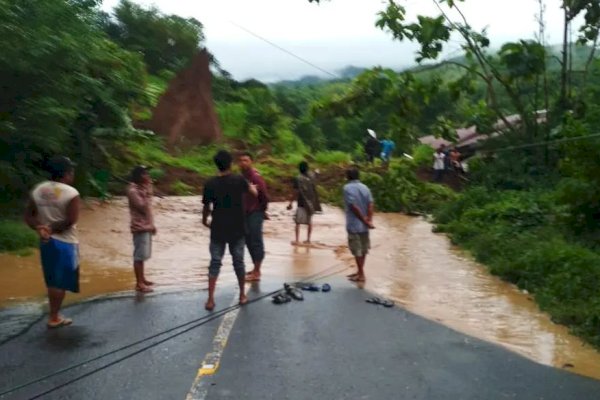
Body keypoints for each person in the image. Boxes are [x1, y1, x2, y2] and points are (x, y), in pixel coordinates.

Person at [25, 156, 80, 329]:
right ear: (66, 173)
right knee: (60, 281)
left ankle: (54, 314)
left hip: (45, 240)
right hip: (65, 241)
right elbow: (70, 220)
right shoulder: (71, 193)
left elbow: (28, 216)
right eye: (71, 171)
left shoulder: (38, 189)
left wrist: (41, 228)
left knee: (51, 279)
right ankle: (54, 316)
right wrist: (52, 228)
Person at [202, 150, 258, 311]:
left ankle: (210, 300)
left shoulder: (210, 183)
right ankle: (242, 295)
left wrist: (205, 221)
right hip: (237, 228)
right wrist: (252, 187)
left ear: (216, 165)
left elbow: (206, 207)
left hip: (218, 228)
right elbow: (254, 193)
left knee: (215, 262)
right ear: (231, 164)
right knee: (238, 262)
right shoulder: (239, 180)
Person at [238, 152, 269, 282]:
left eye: (246, 160)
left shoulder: (255, 177)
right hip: (245, 213)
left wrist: (261, 210)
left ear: (251, 162)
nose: (243, 163)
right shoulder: (241, 177)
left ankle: (257, 271)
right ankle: (256, 268)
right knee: (248, 240)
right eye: (241, 161)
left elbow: (265, 196)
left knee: (255, 240)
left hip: (255, 212)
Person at [127, 165, 156, 293]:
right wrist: (148, 192)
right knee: (139, 256)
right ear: (139, 176)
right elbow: (142, 206)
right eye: (145, 174)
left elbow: (148, 210)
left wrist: (152, 225)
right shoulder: (133, 191)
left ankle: (142, 279)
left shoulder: (142, 189)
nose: (148, 176)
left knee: (143, 255)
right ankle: (139, 284)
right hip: (140, 227)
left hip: (146, 226)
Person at [343, 167, 374, 283]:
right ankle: (360, 272)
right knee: (364, 249)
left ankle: (361, 274)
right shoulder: (365, 188)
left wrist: (364, 220)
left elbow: (353, 207)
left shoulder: (347, 188)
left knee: (357, 250)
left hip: (354, 224)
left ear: (348, 177)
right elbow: (370, 204)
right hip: (365, 225)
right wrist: (369, 220)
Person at [287, 161, 322, 245]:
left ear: (299, 169)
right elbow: (317, 173)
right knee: (309, 222)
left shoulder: (298, 179)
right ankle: (308, 240)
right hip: (311, 203)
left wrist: (290, 203)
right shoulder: (311, 177)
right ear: (307, 168)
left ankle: (297, 240)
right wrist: (317, 171)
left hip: (301, 202)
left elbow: (296, 192)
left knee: (298, 222)